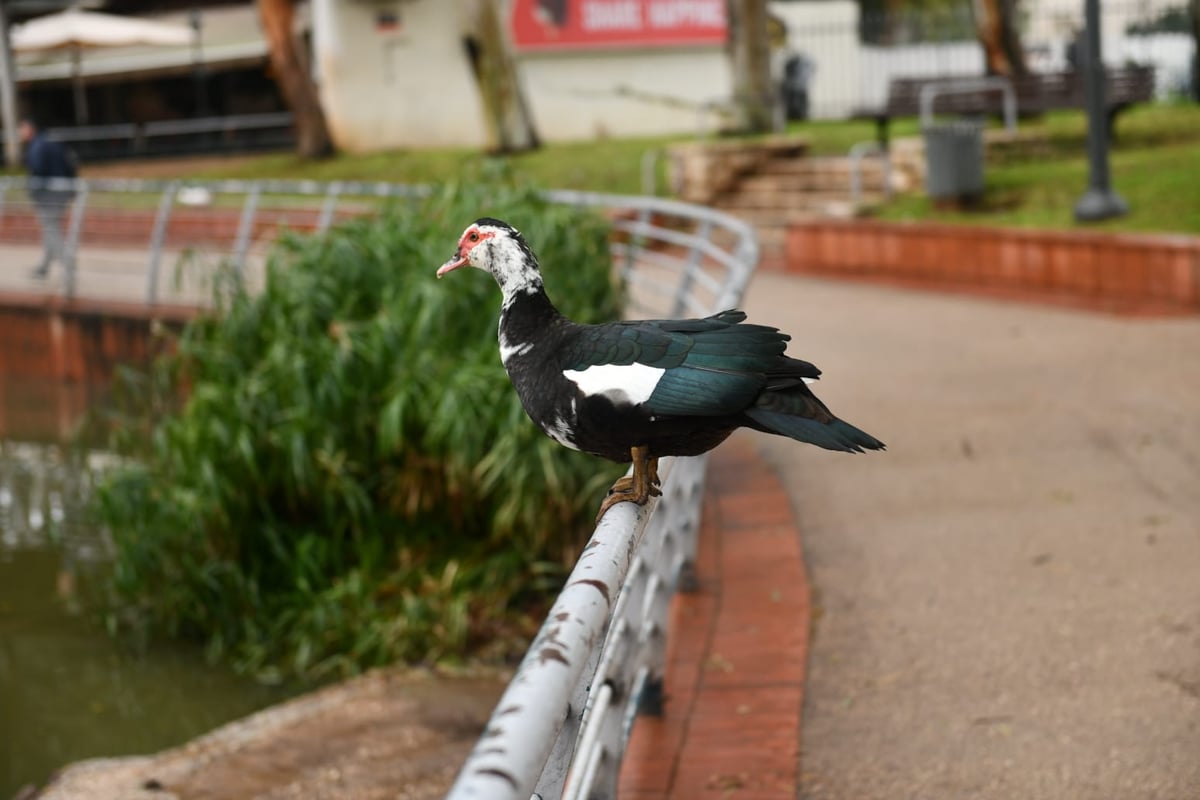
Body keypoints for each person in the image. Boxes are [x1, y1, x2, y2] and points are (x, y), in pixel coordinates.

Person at [19, 118, 77, 279]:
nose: (20, 133)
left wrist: (33, 189)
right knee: (50, 229)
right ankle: (44, 267)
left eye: (22, 128)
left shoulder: (37, 146)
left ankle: (68, 265)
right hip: (62, 191)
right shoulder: (51, 141)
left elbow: (38, 169)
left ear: (30, 128)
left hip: (49, 195)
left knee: (52, 230)